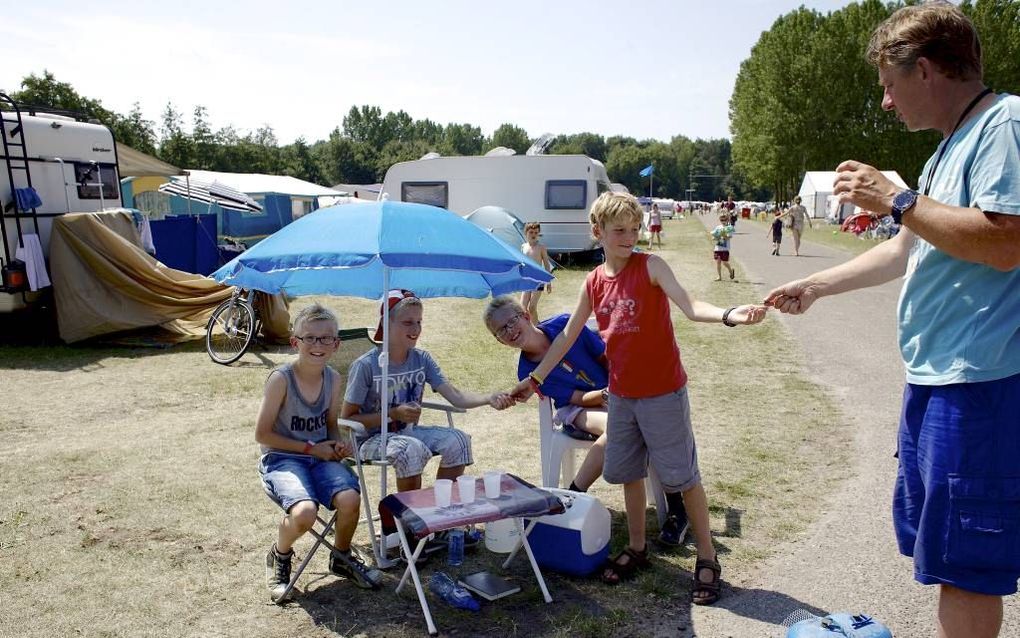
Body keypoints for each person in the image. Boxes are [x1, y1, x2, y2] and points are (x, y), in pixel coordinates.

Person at [765, 4, 1020, 636]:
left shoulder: (1004, 124)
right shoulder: (948, 147)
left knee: (967, 566)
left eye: (888, 81)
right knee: (943, 554)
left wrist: (897, 199)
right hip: (939, 380)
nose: (884, 100)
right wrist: (816, 284)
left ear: (927, 70)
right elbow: (906, 250)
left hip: (979, 384)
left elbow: (1006, 239)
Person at [510, 191, 766, 602]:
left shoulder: (652, 266)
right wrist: (535, 379)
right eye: (619, 231)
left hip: (663, 393)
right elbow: (566, 337)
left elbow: (690, 304)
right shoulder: (594, 282)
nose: (630, 238)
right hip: (622, 397)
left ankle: (706, 556)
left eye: (634, 229)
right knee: (628, 472)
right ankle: (637, 547)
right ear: (598, 233)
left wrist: (728, 314)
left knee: (683, 477)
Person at [483, 296, 691, 546]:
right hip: (577, 410)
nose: (509, 331)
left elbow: (606, 357)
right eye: (500, 331)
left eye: (511, 321)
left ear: (526, 316)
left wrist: (619, 388)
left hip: (618, 390)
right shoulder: (527, 373)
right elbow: (577, 398)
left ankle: (676, 508)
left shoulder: (563, 324)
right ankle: (575, 494)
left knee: (645, 421)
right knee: (620, 427)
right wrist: (604, 396)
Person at [256, 304, 382, 601]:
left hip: (320, 456)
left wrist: (336, 444)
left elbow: (329, 424)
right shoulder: (281, 380)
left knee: (350, 498)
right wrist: (312, 448)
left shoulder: (333, 378)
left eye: (326, 338)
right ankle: (280, 556)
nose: (318, 345)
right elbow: (262, 435)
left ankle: (341, 556)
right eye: (310, 338)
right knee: (305, 512)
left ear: (336, 344)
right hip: (281, 459)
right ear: (294, 342)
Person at [520, 222, 553, 318]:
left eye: (536, 232)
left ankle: (536, 329)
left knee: (532, 307)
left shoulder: (541, 247)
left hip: (538, 280)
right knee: (522, 308)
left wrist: (549, 282)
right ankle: (530, 327)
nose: (533, 235)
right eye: (531, 232)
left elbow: (547, 264)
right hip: (526, 280)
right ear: (526, 233)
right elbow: (522, 263)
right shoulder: (523, 247)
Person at [711, 213, 736, 281]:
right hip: (717, 248)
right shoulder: (718, 227)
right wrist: (715, 237)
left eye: (724, 220)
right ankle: (719, 277)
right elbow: (713, 237)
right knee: (718, 262)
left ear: (727, 220)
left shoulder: (729, 228)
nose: (723, 221)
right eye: (721, 220)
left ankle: (731, 271)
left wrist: (723, 235)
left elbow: (729, 237)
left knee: (724, 262)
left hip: (725, 248)